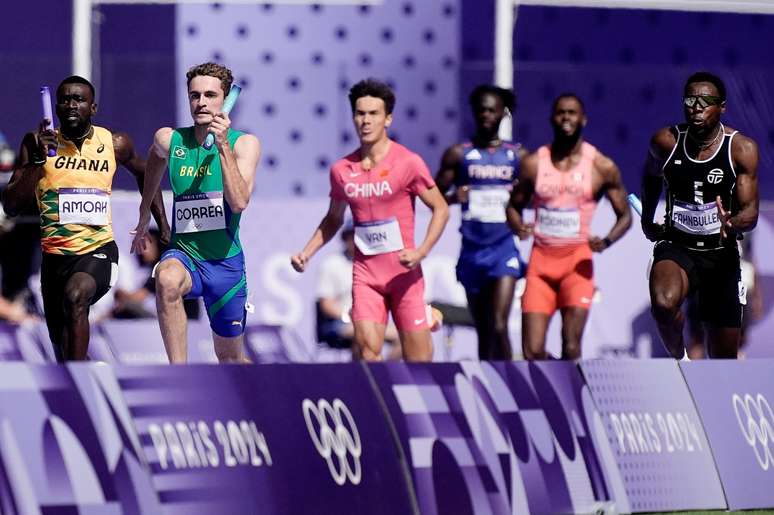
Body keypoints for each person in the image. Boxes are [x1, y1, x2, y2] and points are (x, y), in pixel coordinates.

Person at [2, 76, 169, 361]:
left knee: (76, 296)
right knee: (62, 345)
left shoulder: (115, 143)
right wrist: (37, 163)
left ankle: (80, 386)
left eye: (78, 99)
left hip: (97, 251)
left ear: (93, 107)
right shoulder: (36, 142)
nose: (71, 104)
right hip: (54, 259)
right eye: (65, 99)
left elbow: (146, 173)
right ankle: (89, 376)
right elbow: (12, 205)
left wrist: (159, 223)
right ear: (55, 107)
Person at [291, 78, 449, 362]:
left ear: (388, 118)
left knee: (420, 360)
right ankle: (374, 406)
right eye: (360, 113)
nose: (365, 121)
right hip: (366, 276)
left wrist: (421, 251)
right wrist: (307, 252)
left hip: (404, 276)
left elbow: (441, 208)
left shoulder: (408, 163)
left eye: (373, 114)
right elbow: (333, 218)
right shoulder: (342, 170)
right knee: (366, 353)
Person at [131, 62, 261, 364]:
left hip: (226, 267)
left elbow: (239, 202)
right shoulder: (171, 139)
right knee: (166, 279)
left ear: (225, 99)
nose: (201, 102)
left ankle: (268, 398)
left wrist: (222, 145)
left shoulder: (245, 144)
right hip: (185, 255)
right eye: (194, 95)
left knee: (231, 361)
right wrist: (145, 211)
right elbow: (153, 159)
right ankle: (180, 375)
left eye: (210, 95)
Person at [641, 71, 759, 360]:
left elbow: (751, 213)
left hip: (721, 253)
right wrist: (647, 219)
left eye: (706, 100)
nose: (696, 106)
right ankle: (681, 362)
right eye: (690, 100)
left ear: (722, 107)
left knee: (723, 358)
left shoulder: (741, 149)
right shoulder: (665, 141)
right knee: (664, 304)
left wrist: (731, 222)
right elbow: (650, 176)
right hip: (678, 246)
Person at [509, 93, 632, 360]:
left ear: (583, 119)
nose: (566, 117)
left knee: (572, 347)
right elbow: (512, 205)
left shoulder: (601, 166)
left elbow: (625, 216)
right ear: (552, 118)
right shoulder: (533, 164)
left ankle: (571, 399)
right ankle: (560, 382)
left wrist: (607, 241)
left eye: (572, 112)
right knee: (532, 351)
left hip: (577, 265)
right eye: (561, 112)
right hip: (540, 265)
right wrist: (518, 225)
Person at [435, 84, 527, 360]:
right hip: (472, 252)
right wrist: (454, 197)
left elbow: (538, 192)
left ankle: (514, 385)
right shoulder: (458, 154)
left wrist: (521, 215)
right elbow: (432, 194)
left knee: (499, 326)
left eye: (492, 109)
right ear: (474, 112)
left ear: (503, 113)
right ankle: (488, 391)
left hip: (503, 251)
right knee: (484, 329)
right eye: (481, 109)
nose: (486, 114)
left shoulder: (518, 156)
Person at [315, 223, 402, 358]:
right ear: (345, 238)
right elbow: (326, 303)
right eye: (353, 236)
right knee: (363, 332)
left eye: (361, 236)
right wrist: (349, 316)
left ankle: (382, 373)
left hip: (372, 320)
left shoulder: (375, 264)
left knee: (404, 336)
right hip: (339, 323)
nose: (357, 240)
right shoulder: (332, 264)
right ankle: (361, 374)